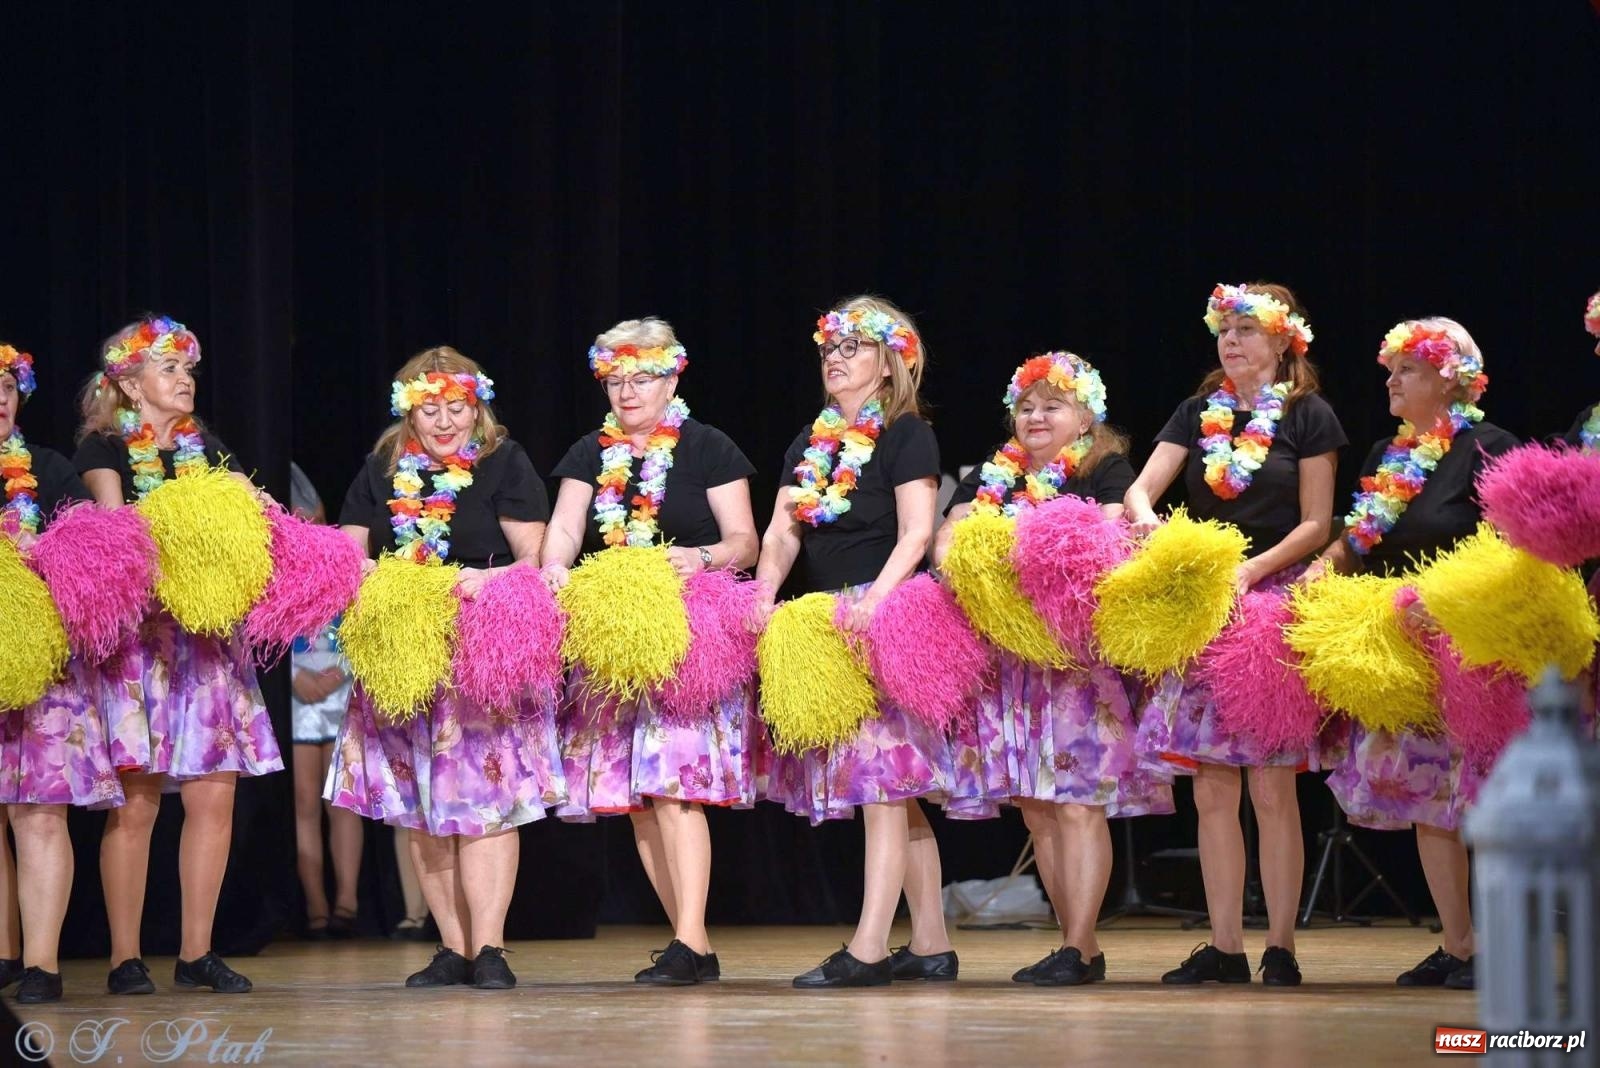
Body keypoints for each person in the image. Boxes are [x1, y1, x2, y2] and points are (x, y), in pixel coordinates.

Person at [1123, 283, 1345, 986]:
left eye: (1249, 328)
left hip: (1270, 601)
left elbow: (1317, 524)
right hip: (1204, 608)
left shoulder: (1309, 415)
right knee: (1213, 788)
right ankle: (1224, 946)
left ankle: (1280, 946)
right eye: (1225, 327)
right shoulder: (1197, 412)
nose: (1232, 339)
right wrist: (1154, 532)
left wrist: (1250, 573)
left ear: (1285, 342)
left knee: (1272, 787)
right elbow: (1138, 491)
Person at [326, 346, 565, 990]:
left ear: (476, 406)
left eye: (455, 407)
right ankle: (452, 948)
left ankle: (490, 949)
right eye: (428, 409)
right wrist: (384, 579)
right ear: (408, 411)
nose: (442, 421)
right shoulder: (382, 468)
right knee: (421, 806)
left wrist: (470, 585)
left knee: (487, 803)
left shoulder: (503, 462)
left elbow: (534, 559)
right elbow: (350, 553)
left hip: (480, 652)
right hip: (403, 655)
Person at [933, 350, 1171, 986]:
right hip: (1008, 665)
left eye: (1052, 406)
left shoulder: (1104, 466)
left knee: (1077, 804)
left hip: (1073, 664)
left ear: (1085, 415)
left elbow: (1118, 529)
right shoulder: (992, 474)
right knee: (1037, 807)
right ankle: (1076, 949)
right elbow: (949, 537)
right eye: (1027, 406)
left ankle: (1080, 942)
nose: (1035, 416)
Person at [541, 317, 760, 985]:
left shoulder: (707, 447)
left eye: (641, 377)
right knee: (638, 795)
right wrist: (554, 573)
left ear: (671, 377)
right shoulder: (589, 452)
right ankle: (687, 942)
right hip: (615, 642)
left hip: (689, 638)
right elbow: (566, 527)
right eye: (615, 379)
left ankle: (690, 940)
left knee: (675, 788)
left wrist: (697, 558)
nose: (627, 391)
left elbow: (744, 542)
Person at [76, 316, 282, 995]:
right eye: (168, 368)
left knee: (213, 802)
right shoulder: (105, 449)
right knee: (135, 805)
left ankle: (197, 954)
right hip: (143, 646)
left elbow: (249, 526)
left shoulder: (209, 451)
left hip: (209, 646)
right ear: (130, 385)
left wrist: (260, 515)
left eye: (186, 368)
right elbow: (119, 533)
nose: (184, 378)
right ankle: (125, 958)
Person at [753, 295, 954, 988]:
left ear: (889, 359)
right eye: (829, 351)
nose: (835, 361)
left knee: (881, 786)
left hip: (888, 614)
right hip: (825, 620)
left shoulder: (905, 434)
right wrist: (762, 590)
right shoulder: (810, 444)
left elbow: (918, 533)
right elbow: (782, 530)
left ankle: (870, 946)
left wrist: (876, 600)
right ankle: (930, 942)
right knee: (892, 788)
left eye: (851, 349)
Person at [1312, 317, 1517, 992]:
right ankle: (1458, 947)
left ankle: (1504, 945)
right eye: (1391, 370)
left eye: (1407, 370)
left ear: (1448, 377)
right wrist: (1331, 559)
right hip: (1407, 651)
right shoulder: (1385, 455)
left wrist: (1452, 601)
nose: (1391, 381)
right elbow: (1364, 538)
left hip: (1473, 647)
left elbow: (1512, 551)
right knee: (1433, 800)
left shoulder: (1491, 447)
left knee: (1483, 802)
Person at [0, 343, 124, 1002]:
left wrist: (41, 556)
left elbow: (96, 560)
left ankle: (42, 966)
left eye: (5, 385)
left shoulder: (47, 470)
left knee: (39, 815)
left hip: (42, 669)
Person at [287, 464, 361, 939]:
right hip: (296, 698)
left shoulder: (345, 568)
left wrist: (342, 673)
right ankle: (315, 905)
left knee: (344, 802)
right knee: (304, 805)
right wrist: (294, 678)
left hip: (339, 691)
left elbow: (360, 629)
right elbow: (263, 639)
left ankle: (348, 902)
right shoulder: (275, 575)